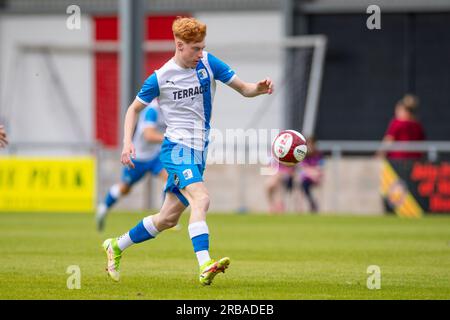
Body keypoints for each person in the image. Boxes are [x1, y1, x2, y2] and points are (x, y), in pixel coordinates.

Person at [102, 17, 273, 285]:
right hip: (175, 149)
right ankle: (204, 263)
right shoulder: (160, 77)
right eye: (195, 49)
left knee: (168, 219)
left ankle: (116, 245)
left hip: (198, 151)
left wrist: (258, 89)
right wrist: (127, 142)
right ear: (179, 45)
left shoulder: (208, 62)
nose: (200, 53)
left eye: (203, 47)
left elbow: (244, 88)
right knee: (201, 199)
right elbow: (133, 109)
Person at [96, 99, 168, 232]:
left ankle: (166, 215)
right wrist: (172, 137)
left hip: (155, 156)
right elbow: (149, 135)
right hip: (138, 157)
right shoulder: (152, 110)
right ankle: (104, 207)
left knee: (170, 178)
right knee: (125, 188)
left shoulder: (169, 109)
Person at [381, 94, 426, 160]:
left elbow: (388, 141)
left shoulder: (397, 123)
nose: (396, 113)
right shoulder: (418, 125)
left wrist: (378, 156)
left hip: (398, 161)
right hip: (415, 162)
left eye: (398, 110)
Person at [297, 137, 324, 213]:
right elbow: (304, 168)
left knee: (310, 184)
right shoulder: (303, 155)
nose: (309, 147)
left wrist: (316, 174)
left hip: (316, 178)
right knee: (304, 185)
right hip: (306, 178)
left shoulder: (319, 155)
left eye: (311, 144)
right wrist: (313, 174)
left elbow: (320, 168)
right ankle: (308, 205)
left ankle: (313, 205)